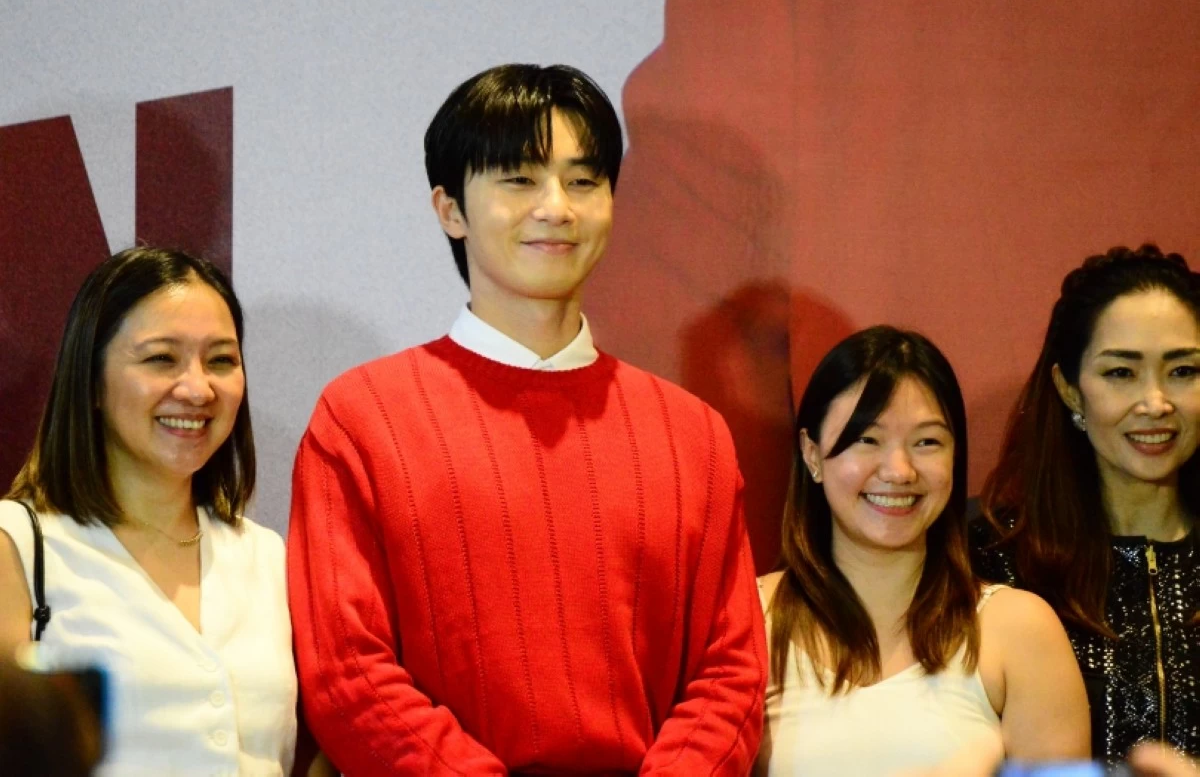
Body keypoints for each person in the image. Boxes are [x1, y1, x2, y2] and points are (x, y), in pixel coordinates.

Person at [287, 63, 767, 775]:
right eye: (518, 179)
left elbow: (731, 673)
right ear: (450, 208)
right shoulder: (361, 419)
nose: (556, 207)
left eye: (582, 181)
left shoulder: (691, 433)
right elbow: (347, 671)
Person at [0, 246, 298, 775]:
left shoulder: (266, 555)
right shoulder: (18, 543)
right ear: (90, 380)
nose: (198, 388)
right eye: (161, 358)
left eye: (221, 360)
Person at [756, 326, 1089, 776]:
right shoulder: (749, 620)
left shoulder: (1018, 629)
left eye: (927, 442)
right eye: (866, 440)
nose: (899, 471)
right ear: (812, 454)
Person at [972, 244, 1200, 761]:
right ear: (1070, 390)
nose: (1156, 402)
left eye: (1183, 371)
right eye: (1121, 373)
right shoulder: (989, 556)